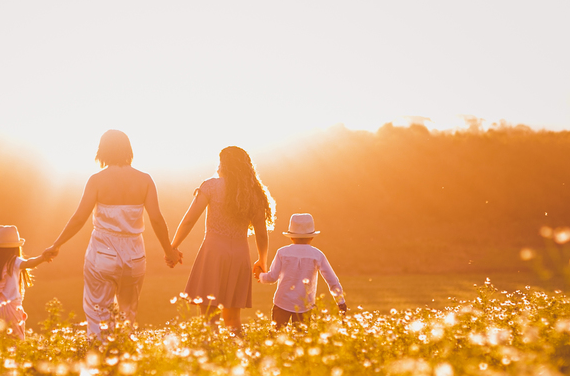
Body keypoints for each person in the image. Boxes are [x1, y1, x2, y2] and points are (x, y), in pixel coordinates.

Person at [43, 130, 181, 341]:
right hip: (135, 255)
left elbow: (79, 218)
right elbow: (156, 219)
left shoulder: (97, 180)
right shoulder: (144, 180)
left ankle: (99, 361)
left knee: (98, 313)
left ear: (102, 150)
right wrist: (169, 251)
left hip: (102, 253)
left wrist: (57, 244)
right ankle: (122, 360)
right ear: (128, 150)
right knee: (128, 315)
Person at [170, 146, 275, 336]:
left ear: (223, 164)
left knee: (209, 319)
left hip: (213, 253)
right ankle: (241, 359)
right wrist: (262, 260)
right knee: (233, 320)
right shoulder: (254, 193)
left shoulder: (210, 186)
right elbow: (261, 233)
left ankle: (211, 358)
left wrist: (173, 247)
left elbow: (188, 221)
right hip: (240, 255)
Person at [256, 212, 346, 329]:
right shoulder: (317, 255)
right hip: (304, 305)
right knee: (301, 339)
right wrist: (341, 301)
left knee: (275, 335)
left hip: (282, 303)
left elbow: (272, 277)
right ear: (312, 237)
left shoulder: (282, 252)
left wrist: (261, 276)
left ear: (291, 236)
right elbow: (332, 280)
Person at [0, 225, 52, 337]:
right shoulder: (13, 261)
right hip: (11, 310)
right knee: (15, 342)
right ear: (15, 247)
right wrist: (42, 258)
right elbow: (28, 263)